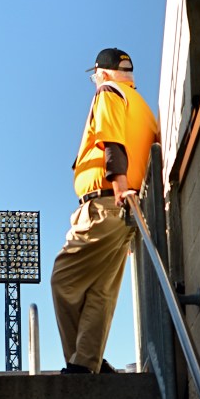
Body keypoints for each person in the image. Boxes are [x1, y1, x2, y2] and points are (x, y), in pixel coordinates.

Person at [51, 47, 159, 374]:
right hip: (127, 211)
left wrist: (119, 185)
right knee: (100, 291)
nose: (94, 80)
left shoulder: (108, 92)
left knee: (63, 278)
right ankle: (86, 363)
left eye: (94, 75)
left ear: (103, 72)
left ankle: (81, 363)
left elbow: (112, 142)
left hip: (105, 202)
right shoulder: (142, 107)